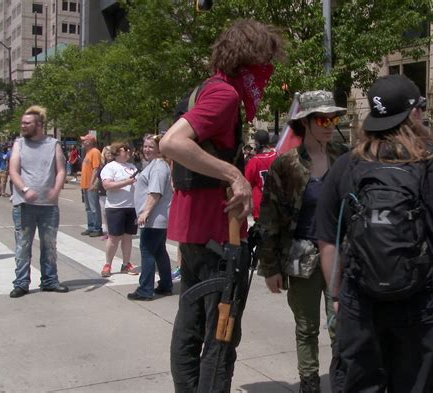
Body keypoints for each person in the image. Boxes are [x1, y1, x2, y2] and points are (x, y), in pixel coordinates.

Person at [316, 74, 433, 392]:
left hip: (362, 307)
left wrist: (336, 296)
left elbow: (328, 242)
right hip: (426, 309)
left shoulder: (345, 167)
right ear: (415, 113)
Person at [160, 19, 284, 393]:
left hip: (197, 230)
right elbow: (172, 144)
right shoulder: (224, 94)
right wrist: (234, 176)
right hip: (216, 235)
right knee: (221, 334)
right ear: (250, 55)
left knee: (191, 324)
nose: (268, 68)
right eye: (266, 58)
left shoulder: (205, 89)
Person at [258, 91, 347, 393]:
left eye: (333, 118)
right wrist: (270, 266)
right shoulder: (286, 164)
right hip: (302, 257)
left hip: (340, 256)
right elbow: (269, 217)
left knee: (342, 326)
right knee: (306, 328)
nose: (329, 124)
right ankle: (310, 384)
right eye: (322, 119)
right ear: (305, 122)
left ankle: (343, 381)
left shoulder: (343, 156)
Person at [8, 105, 69, 298]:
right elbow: (13, 171)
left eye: (27, 123)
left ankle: (50, 280)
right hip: (24, 204)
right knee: (23, 245)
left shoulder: (53, 144)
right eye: (22, 123)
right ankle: (21, 283)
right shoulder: (19, 144)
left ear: (39, 125)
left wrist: (55, 190)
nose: (23, 126)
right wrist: (25, 190)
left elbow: (60, 171)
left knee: (49, 244)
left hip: (48, 206)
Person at [128, 134, 173, 301]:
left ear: (159, 149)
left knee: (147, 252)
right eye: (145, 146)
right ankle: (166, 285)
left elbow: (155, 193)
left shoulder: (158, 167)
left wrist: (145, 213)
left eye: (151, 147)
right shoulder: (155, 165)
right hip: (155, 218)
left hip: (154, 219)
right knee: (159, 251)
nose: (147, 150)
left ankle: (145, 290)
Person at [100, 141, 138, 277]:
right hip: (115, 207)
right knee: (114, 237)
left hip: (131, 206)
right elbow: (107, 185)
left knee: (128, 237)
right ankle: (108, 264)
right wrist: (126, 182)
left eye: (128, 150)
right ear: (116, 152)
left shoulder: (132, 167)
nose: (127, 152)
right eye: (124, 150)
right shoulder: (110, 167)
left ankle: (126, 263)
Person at [244, 129, 277, 221]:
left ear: (257, 143)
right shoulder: (277, 156)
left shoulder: (253, 161)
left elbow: (247, 183)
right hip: (277, 203)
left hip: (261, 205)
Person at [80, 134, 103, 237]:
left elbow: (96, 168)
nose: (83, 142)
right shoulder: (88, 152)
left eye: (84, 140)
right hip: (85, 185)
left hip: (91, 185)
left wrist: (92, 182)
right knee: (88, 208)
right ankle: (91, 227)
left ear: (89, 141)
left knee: (94, 208)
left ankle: (97, 228)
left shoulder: (95, 152)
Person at [98, 145, 113, 240]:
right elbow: (97, 176)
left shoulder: (115, 165)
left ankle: (113, 232)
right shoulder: (102, 165)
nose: (109, 155)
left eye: (110, 153)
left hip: (111, 192)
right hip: (102, 192)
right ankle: (108, 231)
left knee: (111, 212)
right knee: (104, 213)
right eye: (107, 153)